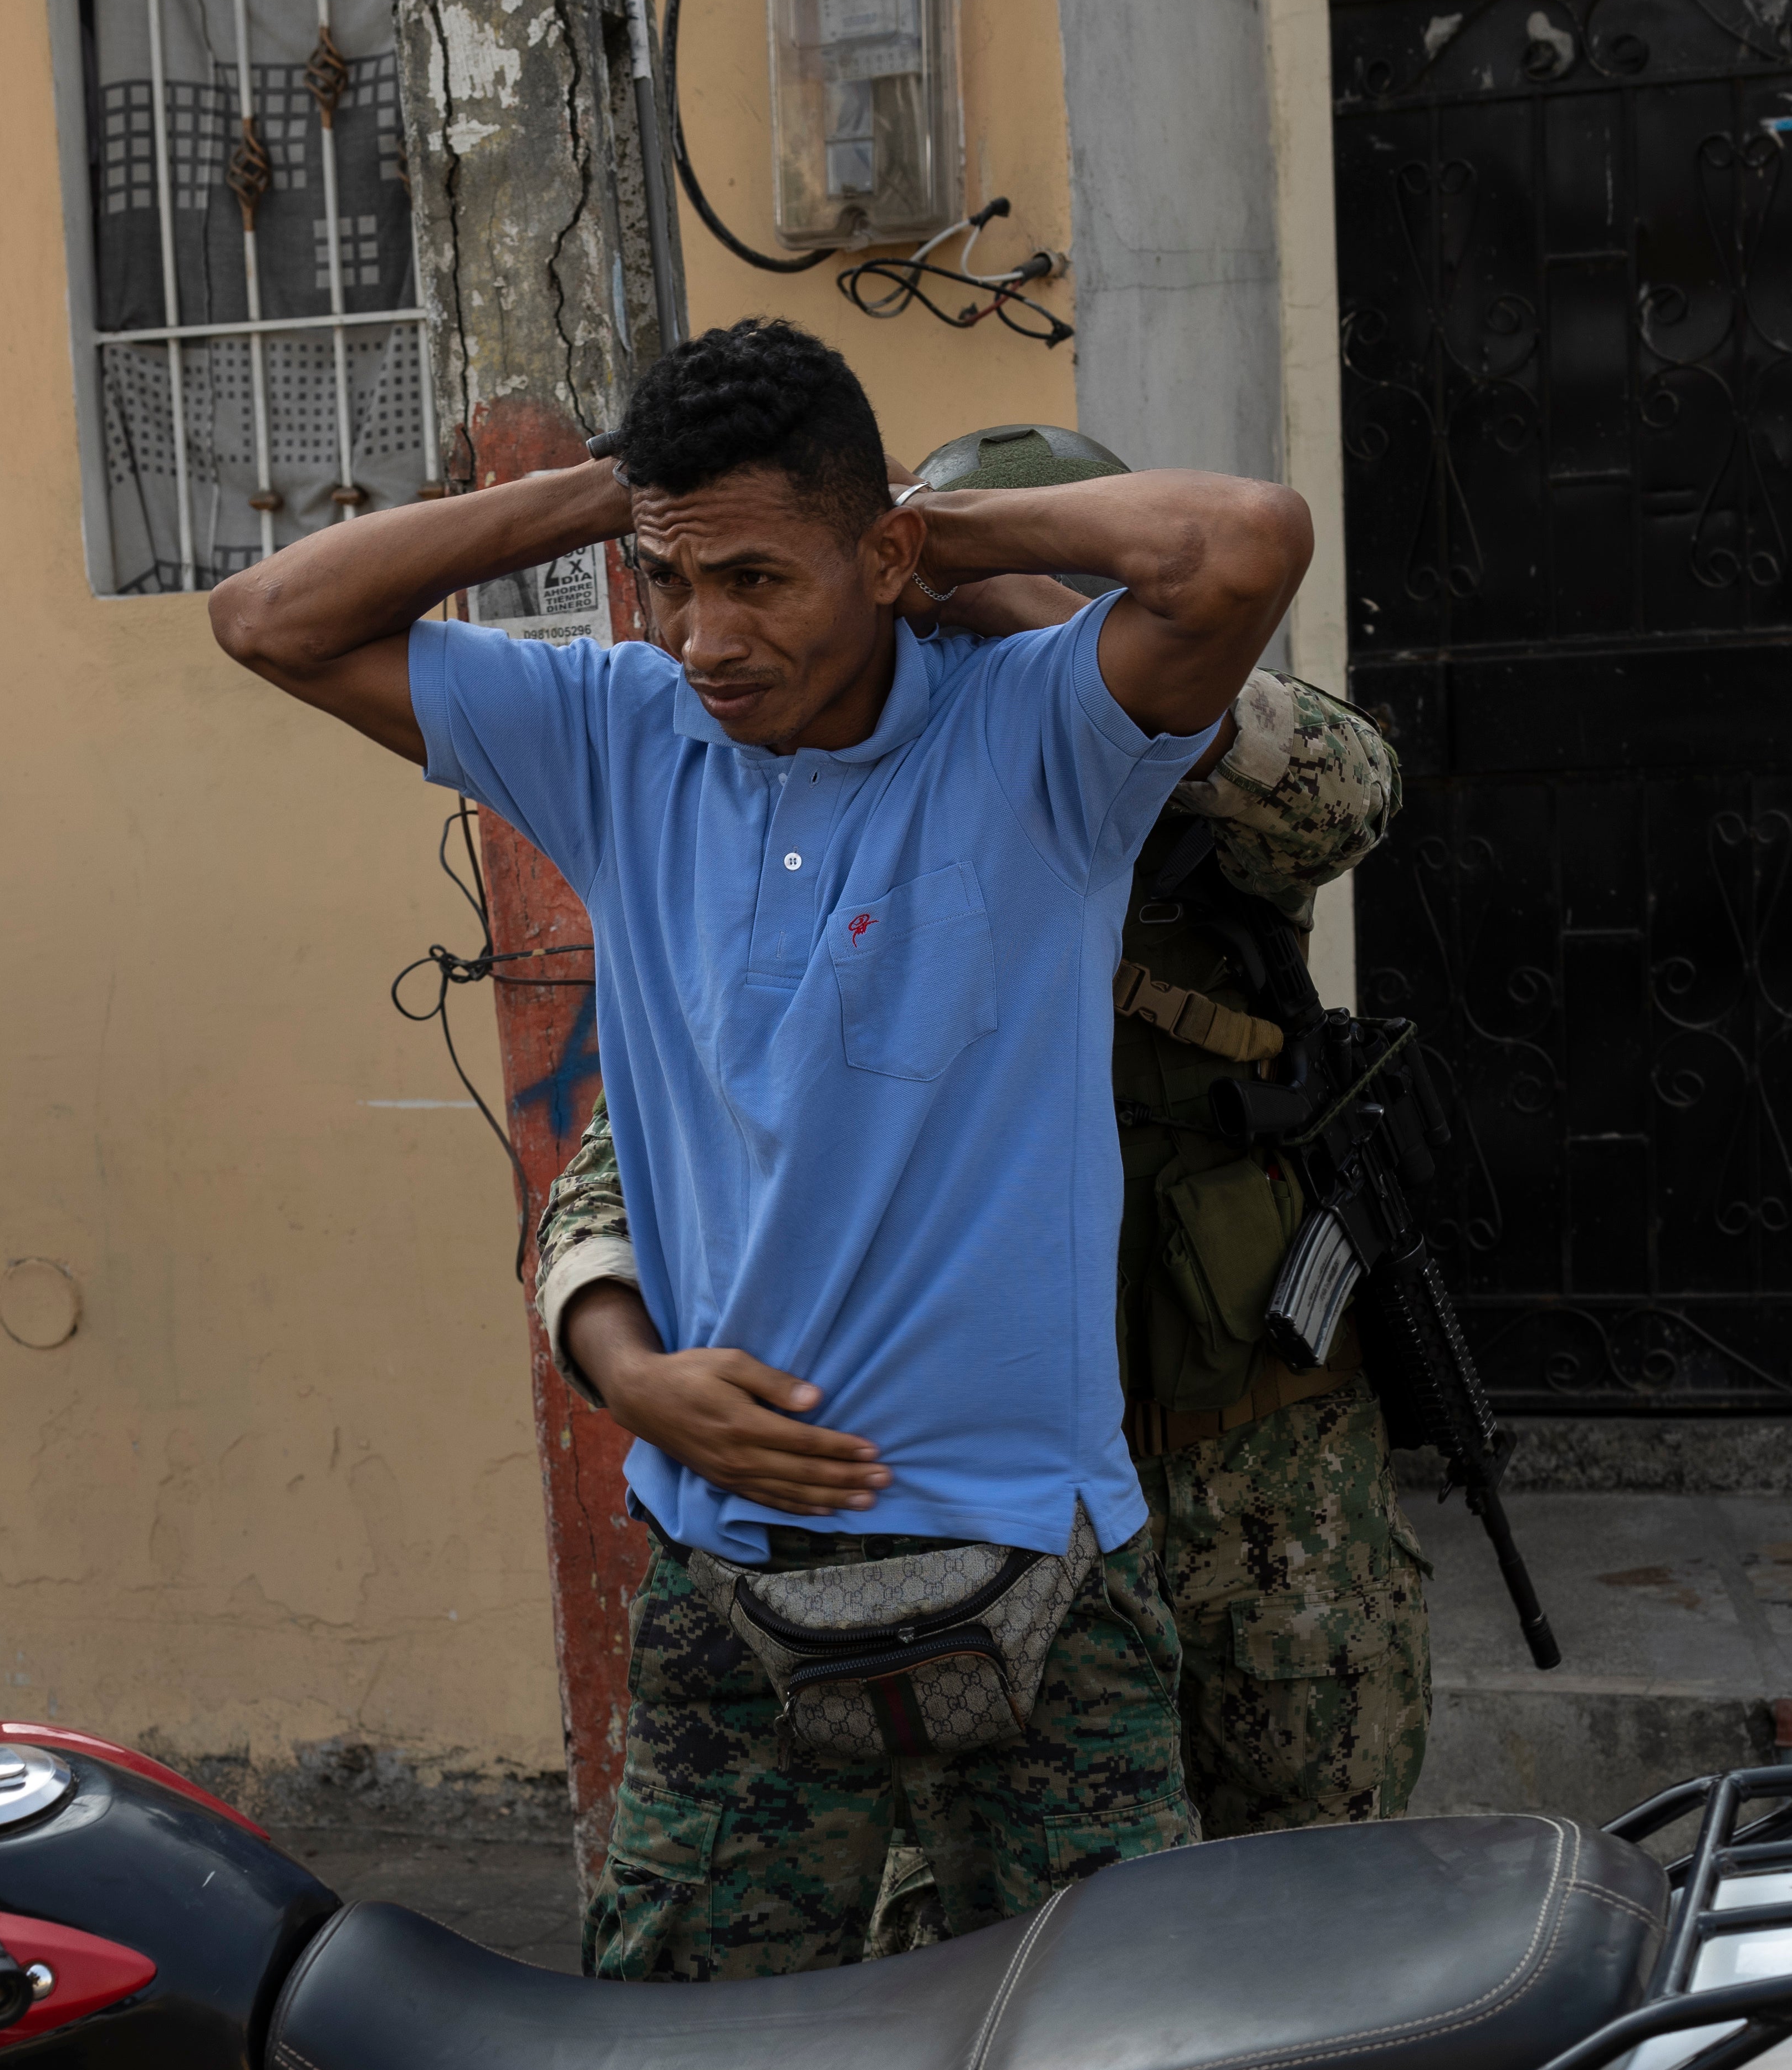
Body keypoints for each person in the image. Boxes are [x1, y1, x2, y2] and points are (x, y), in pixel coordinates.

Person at [210, 319, 1315, 1980]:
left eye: (758, 579)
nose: (705, 638)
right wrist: (612, 500)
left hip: (1034, 1567)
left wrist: (936, 528)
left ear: (880, 557)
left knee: (1109, 2069)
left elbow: (1245, 546)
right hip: (729, 1576)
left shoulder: (1041, 738)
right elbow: (268, 620)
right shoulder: (617, 737)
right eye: (673, 582)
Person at [533, 422, 1428, 1944]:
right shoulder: (826, 807)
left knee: (1314, 1913)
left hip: (1248, 1474)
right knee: (991, 1956)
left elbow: (1342, 795)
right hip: (968, 1520)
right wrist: (622, 1355)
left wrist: (1011, 595)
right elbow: (635, 1154)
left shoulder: (1177, 749)